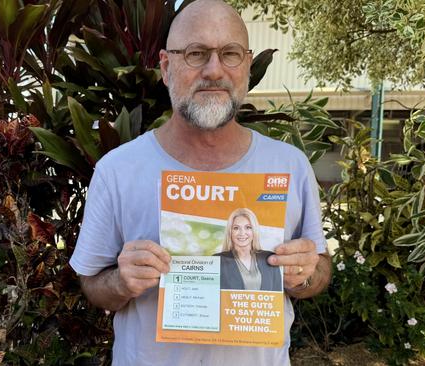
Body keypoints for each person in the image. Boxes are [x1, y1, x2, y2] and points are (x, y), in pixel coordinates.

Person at [69, 0, 332, 365]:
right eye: (196, 54)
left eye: (230, 54)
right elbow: (93, 285)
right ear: (166, 66)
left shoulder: (290, 166)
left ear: (246, 65)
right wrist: (120, 283)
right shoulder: (118, 170)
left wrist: (305, 273)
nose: (214, 70)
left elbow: (320, 270)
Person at [215, 208, 282, 291]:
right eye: (236, 228)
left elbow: (277, 295)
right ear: (230, 232)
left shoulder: (270, 258)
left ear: (254, 230)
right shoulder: (217, 260)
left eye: (248, 227)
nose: (242, 233)